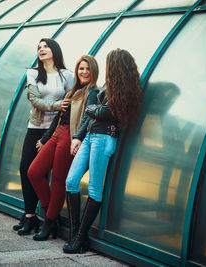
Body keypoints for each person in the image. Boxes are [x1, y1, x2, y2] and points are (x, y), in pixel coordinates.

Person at [63, 48, 142, 254]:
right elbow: (94, 114)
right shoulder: (109, 86)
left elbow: (99, 112)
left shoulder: (125, 90)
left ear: (115, 66)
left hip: (104, 139)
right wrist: (79, 136)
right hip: (90, 137)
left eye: (108, 63)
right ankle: (76, 233)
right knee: (71, 181)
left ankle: (80, 237)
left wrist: (91, 102)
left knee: (94, 189)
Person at [27, 55, 100, 241]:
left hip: (69, 137)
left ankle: (48, 222)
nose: (83, 72)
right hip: (57, 134)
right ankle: (52, 217)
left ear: (94, 72)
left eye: (87, 69)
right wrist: (45, 138)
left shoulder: (92, 92)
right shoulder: (72, 92)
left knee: (59, 181)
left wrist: (77, 138)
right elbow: (58, 119)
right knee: (34, 172)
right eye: (81, 68)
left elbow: (87, 118)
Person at [13, 38, 74, 236]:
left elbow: (70, 104)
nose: (41, 49)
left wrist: (60, 111)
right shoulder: (32, 73)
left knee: (47, 174)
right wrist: (57, 105)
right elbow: (36, 101)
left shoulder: (67, 76)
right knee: (26, 168)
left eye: (45, 46)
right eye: (39, 47)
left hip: (56, 129)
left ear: (55, 49)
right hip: (36, 126)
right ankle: (30, 216)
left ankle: (48, 217)